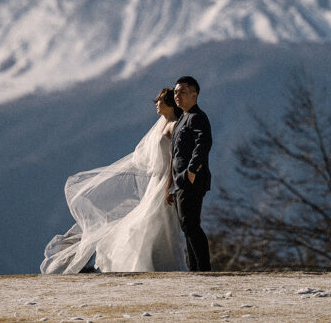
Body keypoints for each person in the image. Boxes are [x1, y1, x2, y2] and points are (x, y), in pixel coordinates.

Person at [41, 88, 186, 273]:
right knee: (147, 224)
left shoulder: (175, 125)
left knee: (161, 224)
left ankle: (168, 265)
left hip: (165, 181)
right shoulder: (161, 125)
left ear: (168, 103)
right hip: (155, 182)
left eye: (159, 101)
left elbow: (174, 158)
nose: (156, 104)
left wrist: (169, 187)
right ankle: (153, 264)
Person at [166, 75, 213, 271]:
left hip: (191, 179)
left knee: (191, 225)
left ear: (194, 95)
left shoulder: (197, 117)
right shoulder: (182, 119)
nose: (177, 96)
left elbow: (204, 143)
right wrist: (172, 185)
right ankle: (196, 270)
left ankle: (203, 270)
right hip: (180, 181)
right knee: (188, 226)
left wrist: (192, 170)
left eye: (182, 92)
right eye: (176, 92)